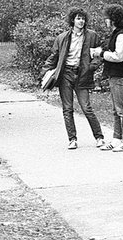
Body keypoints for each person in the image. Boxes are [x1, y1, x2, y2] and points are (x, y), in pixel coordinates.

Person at [41, 8, 105, 149]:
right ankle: (72, 139)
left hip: (82, 74)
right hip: (66, 75)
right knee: (67, 108)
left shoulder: (92, 36)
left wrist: (91, 66)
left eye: (82, 18)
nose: (81, 21)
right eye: (78, 18)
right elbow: (54, 56)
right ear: (72, 20)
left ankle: (99, 137)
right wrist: (45, 72)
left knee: (86, 107)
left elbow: (98, 54)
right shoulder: (62, 37)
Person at [91, 4, 123, 152]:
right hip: (114, 76)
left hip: (121, 76)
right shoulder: (116, 34)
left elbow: (119, 56)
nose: (106, 21)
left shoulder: (122, 36)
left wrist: (101, 53)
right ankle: (117, 138)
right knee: (116, 110)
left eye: (107, 18)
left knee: (122, 109)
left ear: (113, 19)